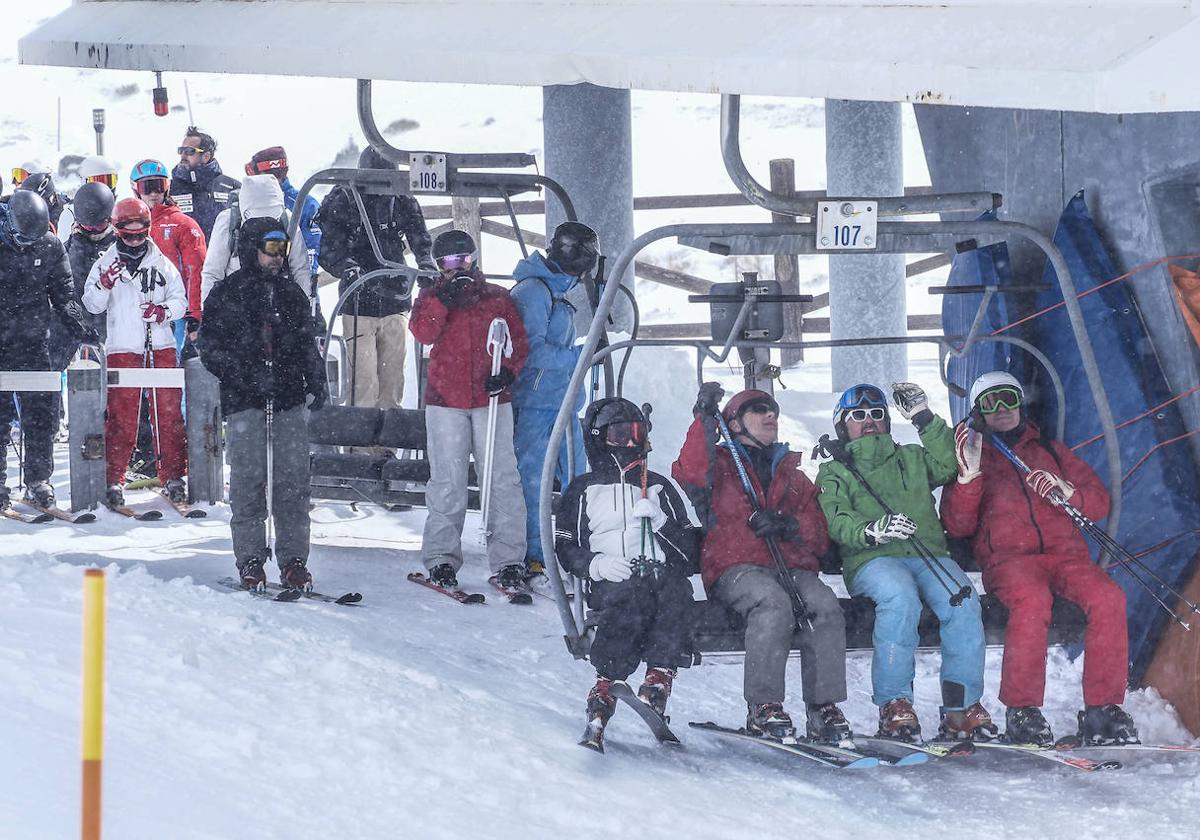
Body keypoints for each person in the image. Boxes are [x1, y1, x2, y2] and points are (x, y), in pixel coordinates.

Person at [941, 371, 1136, 746]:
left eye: (1008, 399)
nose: (1001, 410)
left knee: (1108, 597)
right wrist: (969, 477)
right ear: (978, 412)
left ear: (1021, 403)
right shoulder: (973, 453)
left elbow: (1098, 500)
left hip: (1065, 557)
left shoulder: (1048, 450)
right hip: (1010, 563)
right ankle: (1022, 708)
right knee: (1032, 603)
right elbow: (956, 524)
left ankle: (1103, 707)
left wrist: (1068, 491)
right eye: (990, 403)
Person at [815, 382, 994, 742]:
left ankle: (961, 706)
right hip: (873, 558)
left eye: (877, 415)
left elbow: (948, 463)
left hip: (926, 553)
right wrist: (870, 531)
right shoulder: (836, 471)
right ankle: (895, 703)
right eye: (858, 416)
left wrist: (924, 418)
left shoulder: (910, 457)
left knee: (962, 598)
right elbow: (837, 519)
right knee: (900, 598)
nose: (869, 422)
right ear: (842, 424)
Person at [673, 384, 850, 741]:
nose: (770, 415)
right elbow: (689, 469)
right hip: (737, 568)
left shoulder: (791, 473)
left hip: (791, 567)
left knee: (824, 604)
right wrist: (704, 418)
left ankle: (823, 706)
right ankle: (763, 705)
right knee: (772, 604)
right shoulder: (721, 466)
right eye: (758, 409)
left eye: (773, 410)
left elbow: (817, 531)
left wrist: (789, 525)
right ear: (734, 423)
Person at [558, 397, 700, 742]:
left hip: (659, 573)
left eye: (636, 433)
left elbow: (690, 555)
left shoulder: (659, 486)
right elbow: (565, 545)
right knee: (630, 596)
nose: (629, 443)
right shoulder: (583, 489)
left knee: (675, 592)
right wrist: (596, 564)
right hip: (612, 577)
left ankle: (658, 677)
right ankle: (606, 680)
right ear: (599, 437)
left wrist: (663, 523)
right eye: (620, 434)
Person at [197, 217, 328, 591]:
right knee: (249, 481)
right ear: (251, 249)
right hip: (246, 402)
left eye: (282, 249)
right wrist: (246, 375)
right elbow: (210, 348)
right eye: (270, 249)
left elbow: (305, 341)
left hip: (286, 398)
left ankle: (293, 559)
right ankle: (251, 557)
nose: (277, 258)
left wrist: (315, 377)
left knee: (291, 482)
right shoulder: (227, 294)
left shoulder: (291, 294)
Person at [408, 230, 530, 589]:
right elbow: (423, 333)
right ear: (438, 266)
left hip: (491, 401)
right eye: (448, 262)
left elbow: (517, 342)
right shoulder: (431, 297)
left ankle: (509, 559)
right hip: (447, 402)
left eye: (463, 259)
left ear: (474, 259)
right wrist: (441, 299)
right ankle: (442, 557)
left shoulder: (496, 298)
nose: (457, 267)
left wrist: (507, 373)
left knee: (502, 479)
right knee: (448, 480)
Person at [83, 198, 190, 507]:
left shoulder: (162, 264)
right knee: (121, 417)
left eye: (140, 233)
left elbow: (180, 301)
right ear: (117, 231)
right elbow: (91, 304)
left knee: (167, 415)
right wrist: (104, 284)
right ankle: (114, 477)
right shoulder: (105, 262)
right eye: (127, 234)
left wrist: (163, 312)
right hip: (123, 347)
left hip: (161, 347)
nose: (134, 240)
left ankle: (173, 475)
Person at [316, 146, 434, 413]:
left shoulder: (401, 199)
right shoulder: (344, 199)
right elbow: (329, 248)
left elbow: (418, 233)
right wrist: (346, 267)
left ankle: (387, 447)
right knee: (363, 382)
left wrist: (425, 262)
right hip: (358, 302)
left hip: (396, 298)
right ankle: (360, 447)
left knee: (392, 382)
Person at [510, 221, 596, 579]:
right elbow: (531, 352)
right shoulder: (534, 292)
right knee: (534, 481)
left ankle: (578, 546)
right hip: (534, 403)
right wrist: (580, 355)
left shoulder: (558, 290)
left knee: (579, 478)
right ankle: (534, 551)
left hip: (561, 402)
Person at [0, 191, 96, 511]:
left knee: (41, 414)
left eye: (34, 238)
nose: (28, 244)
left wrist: (79, 327)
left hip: (33, 340)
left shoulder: (51, 245)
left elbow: (63, 295)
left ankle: (38, 479)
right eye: (23, 239)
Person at [199, 174, 310, 308]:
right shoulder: (229, 222)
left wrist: (303, 309)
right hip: (237, 305)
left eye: (271, 217)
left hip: (279, 304)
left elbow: (300, 268)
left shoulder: (287, 221)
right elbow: (213, 272)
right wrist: (210, 313)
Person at [130, 159, 208, 340]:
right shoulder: (128, 225)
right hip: (135, 312)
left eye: (159, 185)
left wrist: (194, 314)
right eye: (146, 187)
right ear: (136, 190)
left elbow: (195, 271)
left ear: (167, 187)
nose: (154, 193)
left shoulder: (183, 224)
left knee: (168, 364)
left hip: (172, 311)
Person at [52, 182, 114, 368]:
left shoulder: (119, 247)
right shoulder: (68, 249)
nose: (95, 232)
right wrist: (79, 244)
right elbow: (66, 285)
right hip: (74, 324)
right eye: (89, 227)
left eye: (100, 226)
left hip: (110, 326)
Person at [245, 146, 322, 284]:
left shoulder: (304, 204)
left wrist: (305, 292)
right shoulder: (247, 203)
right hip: (256, 289)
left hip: (291, 291)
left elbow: (311, 253)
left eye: (255, 175)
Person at [170, 126, 240, 240]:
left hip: (222, 255)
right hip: (185, 255)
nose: (183, 155)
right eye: (181, 150)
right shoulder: (169, 189)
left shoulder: (232, 187)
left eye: (189, 151)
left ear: (206, 156)